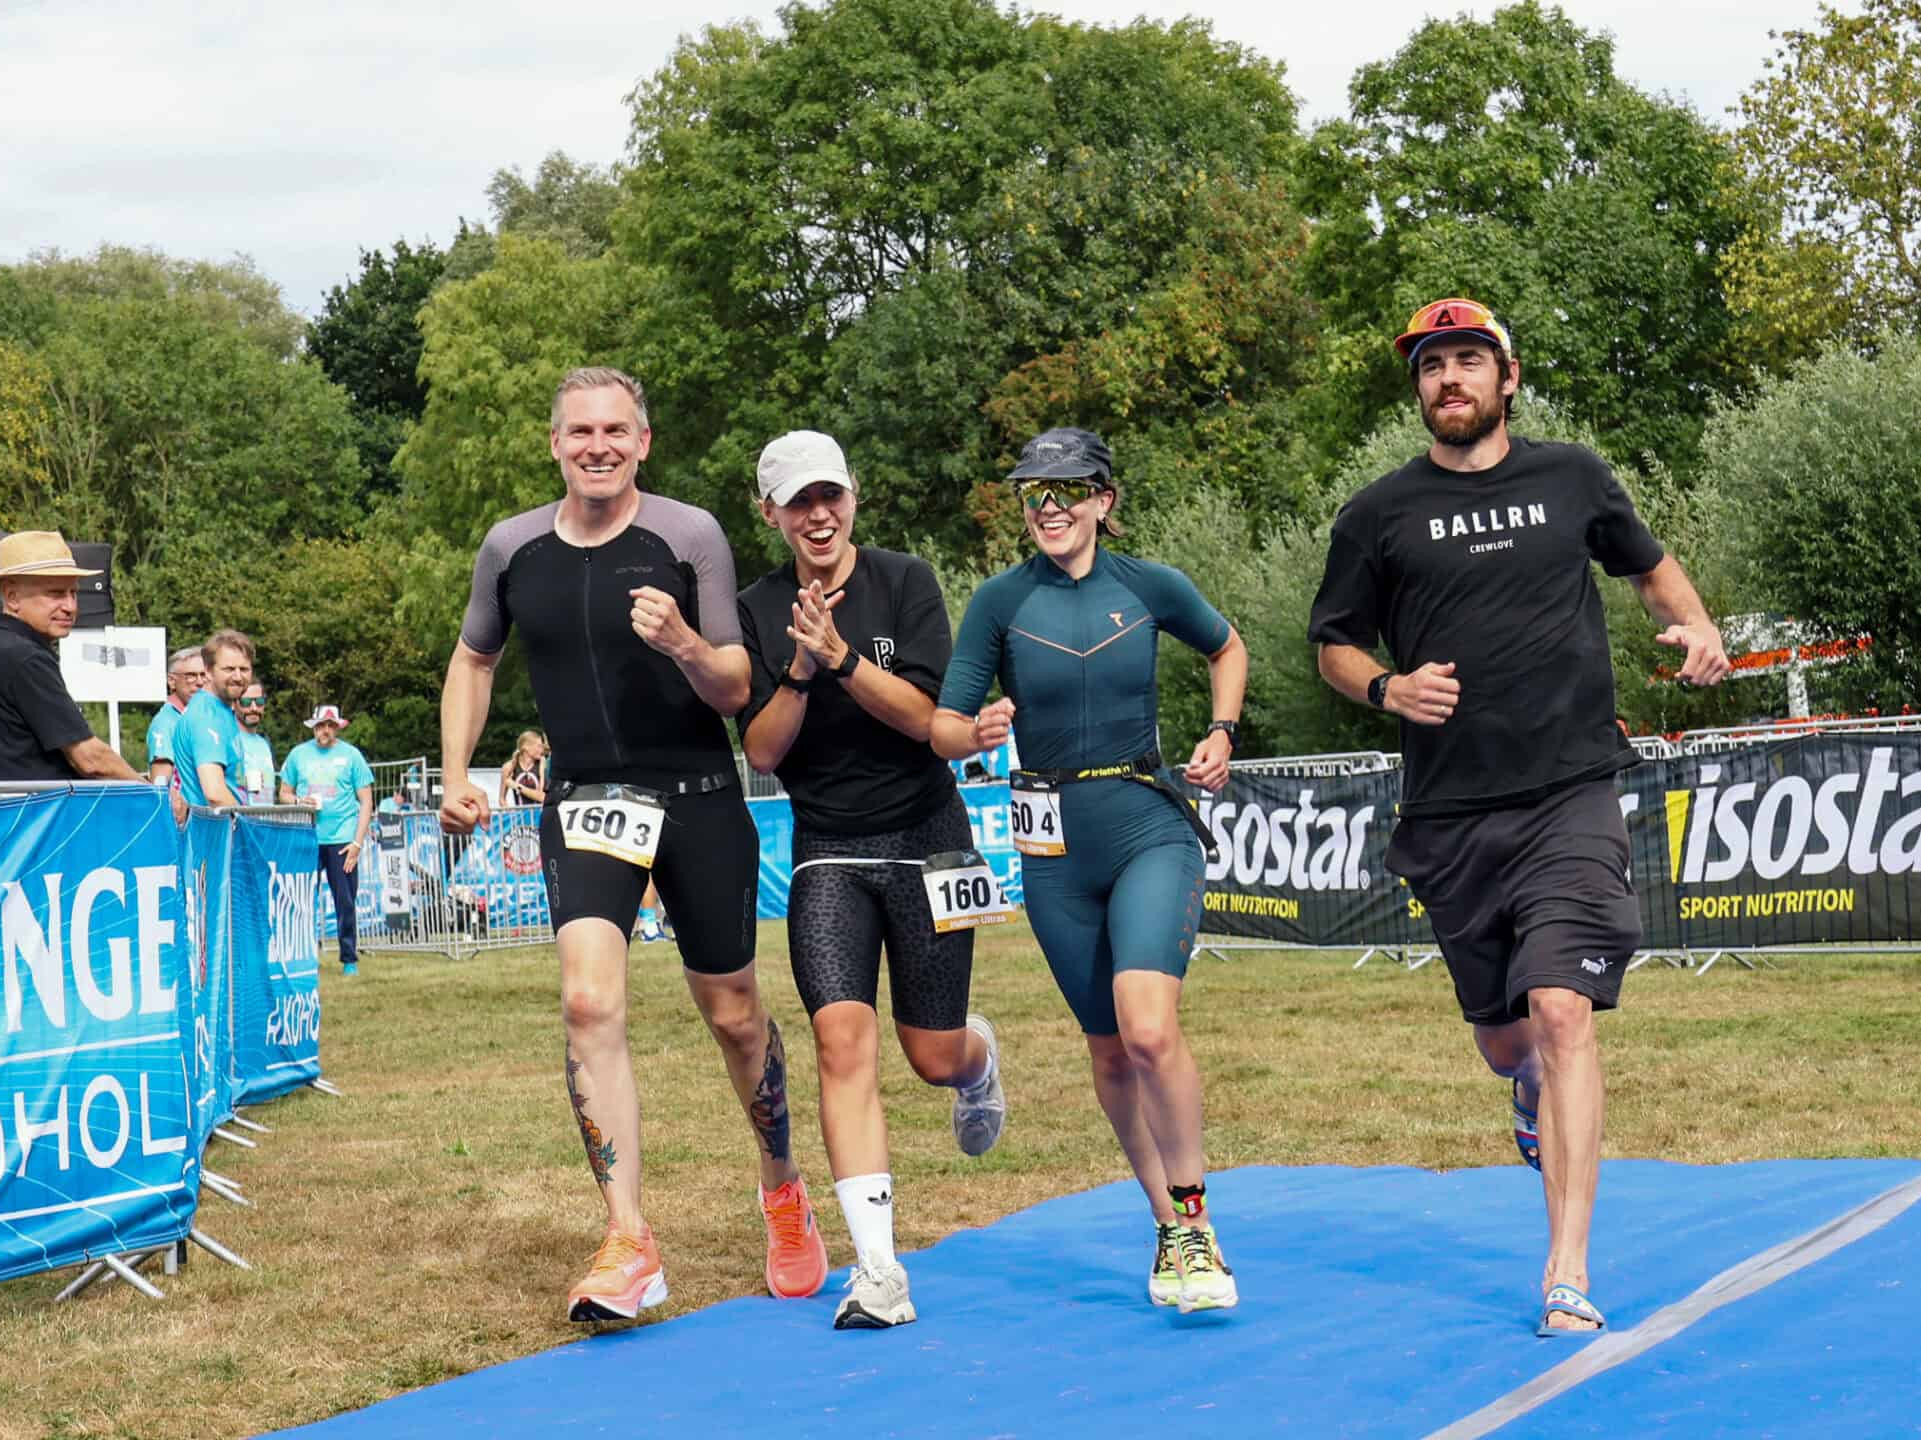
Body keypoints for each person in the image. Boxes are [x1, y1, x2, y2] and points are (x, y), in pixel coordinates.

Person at [1309, 298, 1731, 1337]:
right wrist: (1386, 691)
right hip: (1450, 815)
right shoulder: (1377, 514)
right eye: (1430, 368)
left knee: (1561, 1011)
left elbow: (1648, 567)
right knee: (1509, 1043)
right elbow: (1332, 645)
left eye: (1466, 362)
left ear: (1506, 378)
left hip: (1569, 791)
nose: (1447, 380)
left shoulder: (1573, 476)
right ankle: (1525, 1088)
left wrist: (1696, 625)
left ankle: (1567, 1273)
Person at [437, 365, 823, 1322]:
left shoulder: (688, 536)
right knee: (586, 1000)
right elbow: (473, 659)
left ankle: (782, 1188)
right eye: (580, 433)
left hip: (696, 794)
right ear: (556, 444)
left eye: (616, 431)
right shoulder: (510, 547)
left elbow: (736, 686)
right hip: (582, 799)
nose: (598, 447)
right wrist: (456, 774)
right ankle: (627, 1238)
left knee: (734, 1016)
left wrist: (687, 643)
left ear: (643, 443)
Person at [930, 425, 1249, 1315]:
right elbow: (942, 726)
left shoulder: (1148, 585)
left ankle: (1196, 1218)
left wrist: (1222, 730)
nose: (1051, 506)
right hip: (1053, 852)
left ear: (1105, 500)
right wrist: (977, 733)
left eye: (1069, 489)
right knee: (1108, 1048)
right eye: (1035, 493)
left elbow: (1229, 647)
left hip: (1147, 824)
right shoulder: (998, 602)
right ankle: (1167, 1229)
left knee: (1147, 1028)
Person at [737, 430, 1008, 1330]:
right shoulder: (757, 605)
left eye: (831, 497)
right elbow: (764, 752)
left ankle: (979, 1060)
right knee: (841, 1046)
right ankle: (879, 1273)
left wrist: (846, 659)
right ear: (770, 513)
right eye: (798, 502)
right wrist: (802, 671)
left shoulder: (906, 579)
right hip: (829, 850)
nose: (818, 515)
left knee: (930, 1056)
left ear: (853, 498)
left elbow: (931, 720)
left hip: (930, 836)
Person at [0, 531, 140, 783]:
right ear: (12, 597)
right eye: (55, 593)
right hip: (32, 818)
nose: (70, 606)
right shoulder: (22, 655)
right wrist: (152, 795)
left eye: (74, 593)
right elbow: (90, 759)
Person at [280, 704, 375, 977]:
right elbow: (284, 793)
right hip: (306, 836)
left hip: (342, 839)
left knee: (344, 900)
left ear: (338, 727)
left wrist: (357, 843)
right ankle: (303, 956)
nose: (326, 730)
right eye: (321, 725)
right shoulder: (298, 755)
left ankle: (349, 959)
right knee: (301, 900)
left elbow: (366, 800)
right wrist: (299, 801)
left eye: (331, 725)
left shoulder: (352, 756)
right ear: (313, 726)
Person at [170, 631, 254, 813]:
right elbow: (214, 793)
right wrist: (249, 827)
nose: (238, 677)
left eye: (244, 669)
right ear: (208, 670)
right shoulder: (206, 716)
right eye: (229, 669)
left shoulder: (221, 710)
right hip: (210, 836)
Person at [147, 646, 206, 793]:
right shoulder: (165, 722)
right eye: (191, 675)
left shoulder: (200, 717)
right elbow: (160, 780)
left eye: (204, 675)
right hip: (183, 813)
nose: (199, 682)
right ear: (172, 681)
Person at [231, 682, 278, 805]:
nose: (254, 708)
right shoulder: (227, 739)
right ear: (233, 704)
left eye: (259, 702)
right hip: (239, 820)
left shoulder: (265, 743)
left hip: (266, 820)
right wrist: (244, 782)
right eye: (246, 702)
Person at [500, 730, 550, 806]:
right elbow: (502, 799)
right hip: (521, 816)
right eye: (539, 746)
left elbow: (542, 797)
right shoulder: (509, 767)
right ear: (526, 747)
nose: (542, 750)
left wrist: (517, 786)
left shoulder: (542, 764)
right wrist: (513, 815)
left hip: (539, 815)